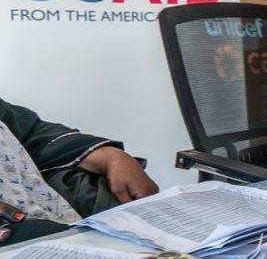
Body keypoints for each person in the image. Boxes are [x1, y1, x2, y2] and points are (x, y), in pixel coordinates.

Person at [0, 98, 159, 245]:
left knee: (124, 209)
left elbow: (31, 133)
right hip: (15, 231)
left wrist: (111, 157)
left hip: (43, 198)